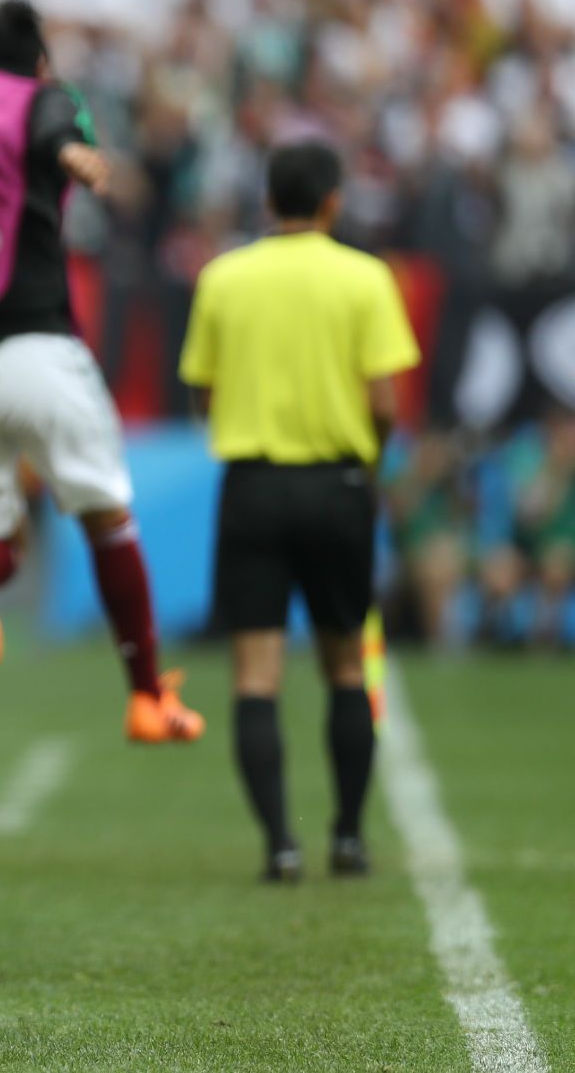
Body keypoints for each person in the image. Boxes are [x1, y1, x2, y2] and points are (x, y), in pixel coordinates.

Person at [0, 0, 204, 742]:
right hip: (36, 348)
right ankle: (149, 694)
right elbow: (58, 127)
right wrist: (72, 155)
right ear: (36, 60)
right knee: (106, 517)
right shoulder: (37, 97)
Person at [177, 141, 420, 881]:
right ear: (334, 201)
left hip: (252, 485)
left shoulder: (224, 276)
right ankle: (347, 836)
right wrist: (366, 459)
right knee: (348, 664)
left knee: (257, 674)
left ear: (266, 202)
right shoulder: (366, 277)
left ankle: (281, 843)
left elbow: (204, 391)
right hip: (339, 484)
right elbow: (383, 401)